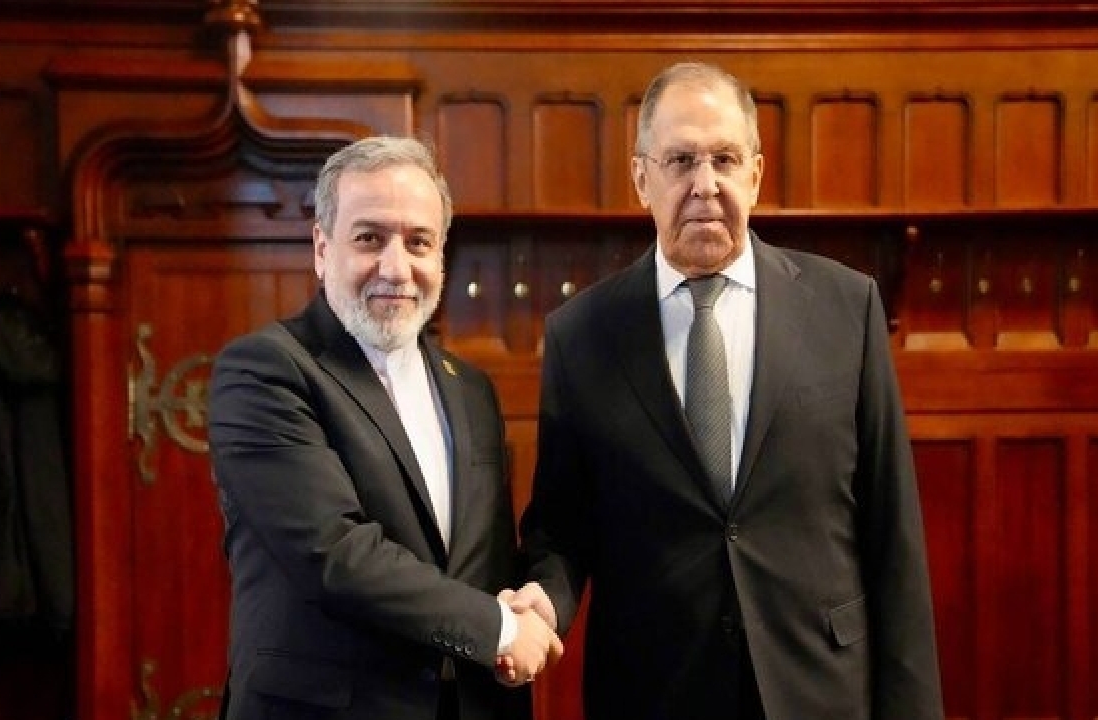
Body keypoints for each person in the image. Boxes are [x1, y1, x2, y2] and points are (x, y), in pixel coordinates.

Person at [512, 62, 945, 719]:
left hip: (818, 688)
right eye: (681, 160)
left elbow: (893, 536)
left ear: (756, 175)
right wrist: (543, 600)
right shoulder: (582, 335)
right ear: (641, 178)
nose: (705, 184)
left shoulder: (845, 308)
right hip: (655, 694)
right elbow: (562, 529)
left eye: (725, 159)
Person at [208, 135, 561, 720]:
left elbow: (482, 559)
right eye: (370, 238)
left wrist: (534, 601)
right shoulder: (265, 369)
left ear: (441, 256)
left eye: (418, 241)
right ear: (322, 248)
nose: (396, 268)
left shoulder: (471, 388)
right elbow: (335, 553)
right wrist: (498, 628)